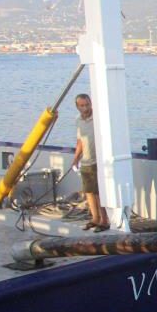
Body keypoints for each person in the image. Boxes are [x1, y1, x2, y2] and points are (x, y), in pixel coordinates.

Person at [69, 93, 109, 232]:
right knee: (89, 191)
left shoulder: (97, 119)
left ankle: (104, 220)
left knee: (99, 192)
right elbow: (80, 141)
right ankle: (95, 218)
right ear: (77, 107)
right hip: (86, 160)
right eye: (82, 105)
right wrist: (76, 158)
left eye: (87, 105)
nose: (85, 108)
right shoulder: (78, 120)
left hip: (98, 160)